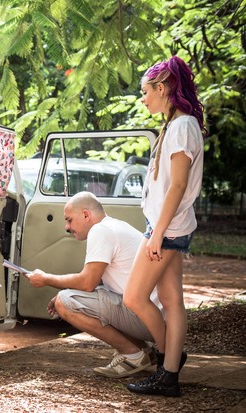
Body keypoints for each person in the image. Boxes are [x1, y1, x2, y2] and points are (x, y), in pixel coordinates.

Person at [123, 55, 206, 397]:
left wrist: (156, 233)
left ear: (162, 89)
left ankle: (169, 359)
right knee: (172, 301)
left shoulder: (183, 126)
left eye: (146, 91)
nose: (143, 98)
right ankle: (169, 373)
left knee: (134, 297)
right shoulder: (175, 125)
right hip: (170, 226)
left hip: (167, 229)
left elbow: (177, 186)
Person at [27, 191, 160, 378]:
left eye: (69, 220)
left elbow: (87, 282)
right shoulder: (114, 226)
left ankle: (133, 355)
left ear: (86, 215)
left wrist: (47, 279)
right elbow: (94, 281)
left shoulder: (101, 230)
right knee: (67, 297)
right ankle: (143, 351)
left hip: (147, 319)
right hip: (156, 319)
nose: (67, 227)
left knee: (65, 302)